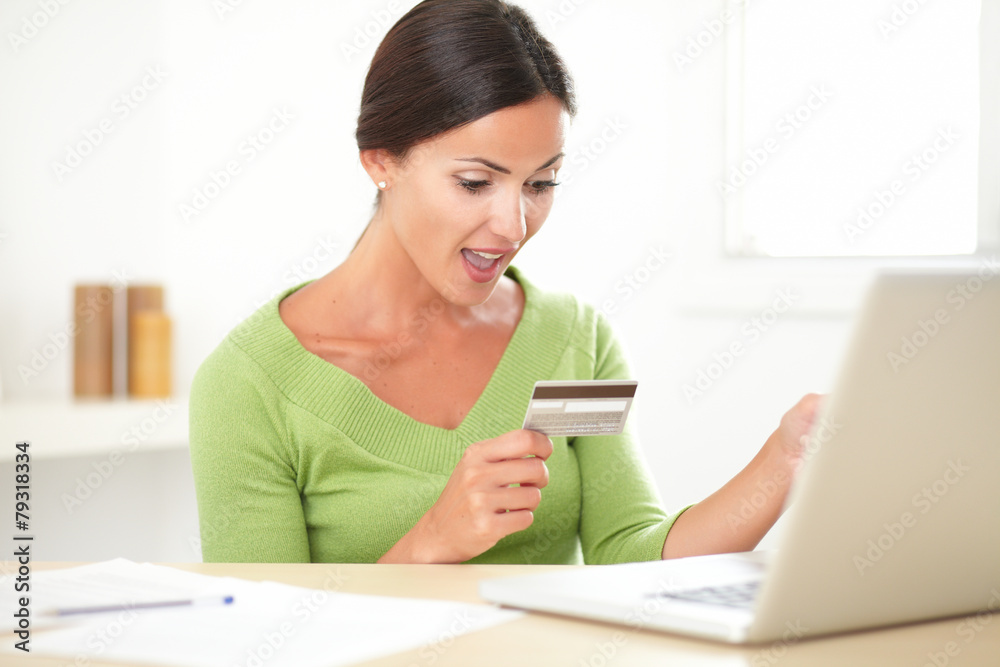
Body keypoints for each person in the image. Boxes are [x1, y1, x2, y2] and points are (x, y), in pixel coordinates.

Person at [188, 0, 819, 565]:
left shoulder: (575, 341)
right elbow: (264, 640)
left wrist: (782, 463)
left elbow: (628, 557)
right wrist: (430, 543)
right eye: (474, 183)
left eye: (541, 184)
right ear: (380, 159)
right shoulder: (251, 385)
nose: (513, 224)